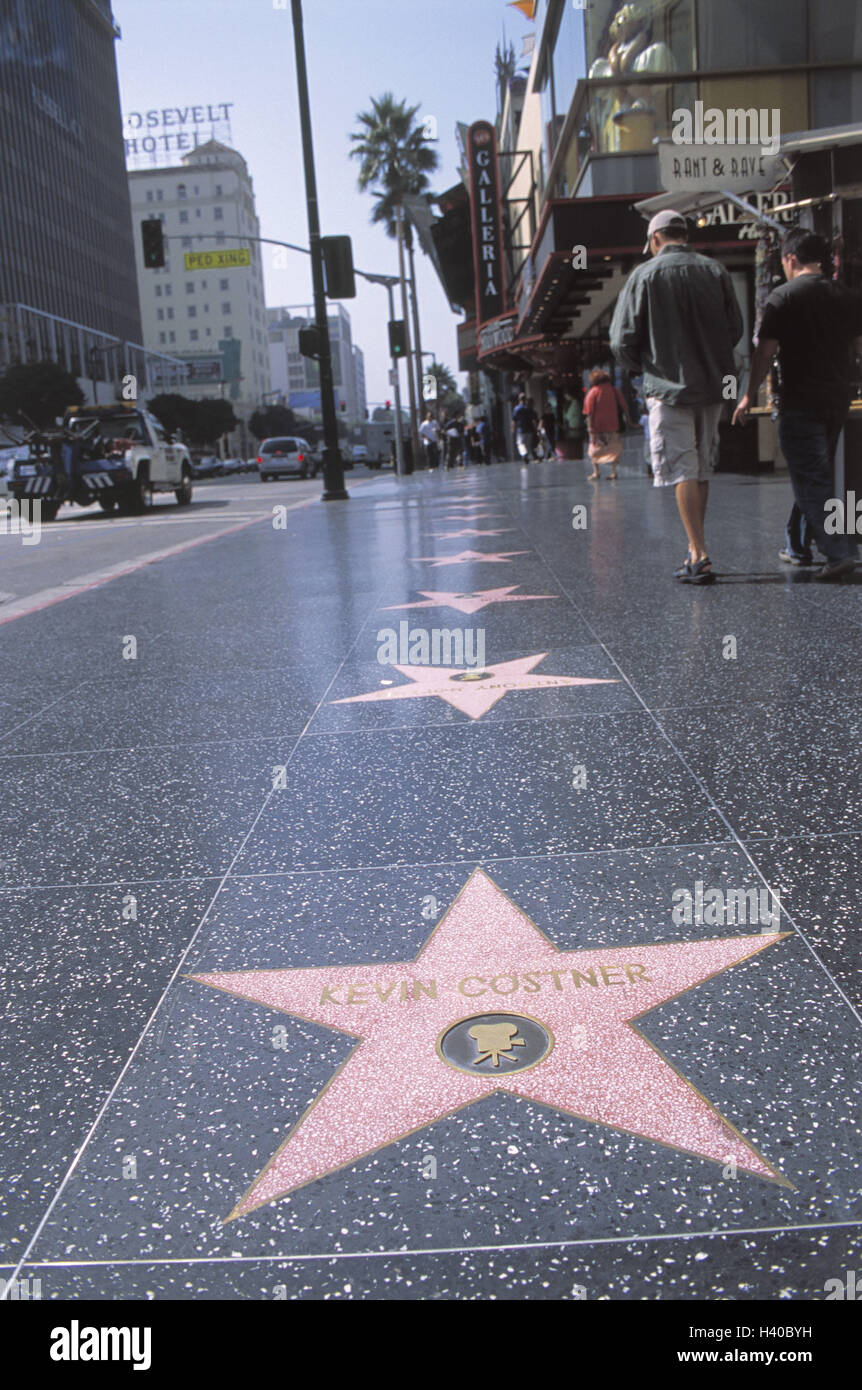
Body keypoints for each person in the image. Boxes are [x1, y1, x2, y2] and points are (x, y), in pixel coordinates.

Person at [610, 208, 743, 585]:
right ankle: (694, 547)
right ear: (684, 234)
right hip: (712, 383)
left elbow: (621, 341)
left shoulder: (644, 275)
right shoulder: (714, 270)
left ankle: (699, 554)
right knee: (700, 466)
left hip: (668, 388)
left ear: (655, 239)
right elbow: (735, 327)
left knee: (683, 467)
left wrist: (648, 367)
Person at [732, 227, 862, 582]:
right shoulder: (846, 296)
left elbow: (765, 352)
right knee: (814, 473)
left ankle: (838, 553)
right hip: (837, 399)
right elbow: (859, 346)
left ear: (790, 259)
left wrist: (747, 395)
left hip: (799, 400)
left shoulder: (782, 297)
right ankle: (797, 543)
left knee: (811, 477)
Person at [582, 369, 630, 479]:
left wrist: (589, 428)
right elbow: (624, 406)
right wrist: (629, 420)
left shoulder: (592, 392)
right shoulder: (614, 390)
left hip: (597, 426)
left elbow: (588, 412)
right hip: (613, 425)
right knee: (614, 448)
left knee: (594, 449)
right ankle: (613, 472)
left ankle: (596, 472)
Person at [512, 393, 538, 463]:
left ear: (519, 399)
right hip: (529, 429)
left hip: (521, 429)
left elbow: (514, 419)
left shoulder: (517, 409)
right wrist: (536, 428)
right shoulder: (528, 409)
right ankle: (527, 456)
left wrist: (513, 428)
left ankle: (524, 454)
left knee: (520, 443)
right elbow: (533, 420)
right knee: (528, 444)